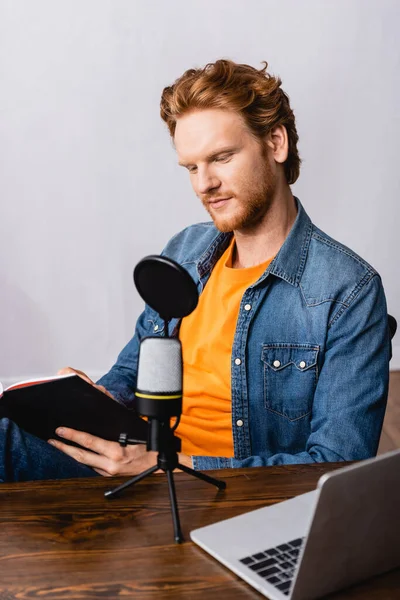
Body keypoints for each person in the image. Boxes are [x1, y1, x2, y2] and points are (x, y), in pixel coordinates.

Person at [0, 59, 391, 482]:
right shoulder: (187, 250)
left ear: (275, 143)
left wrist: (164, 466)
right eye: (191, 167)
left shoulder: (347, 290)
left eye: (221, 158)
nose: (204, 184)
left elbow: (338, 462)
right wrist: (97, 397)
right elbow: (136, 369)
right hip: (134, 465)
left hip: (225, 490)